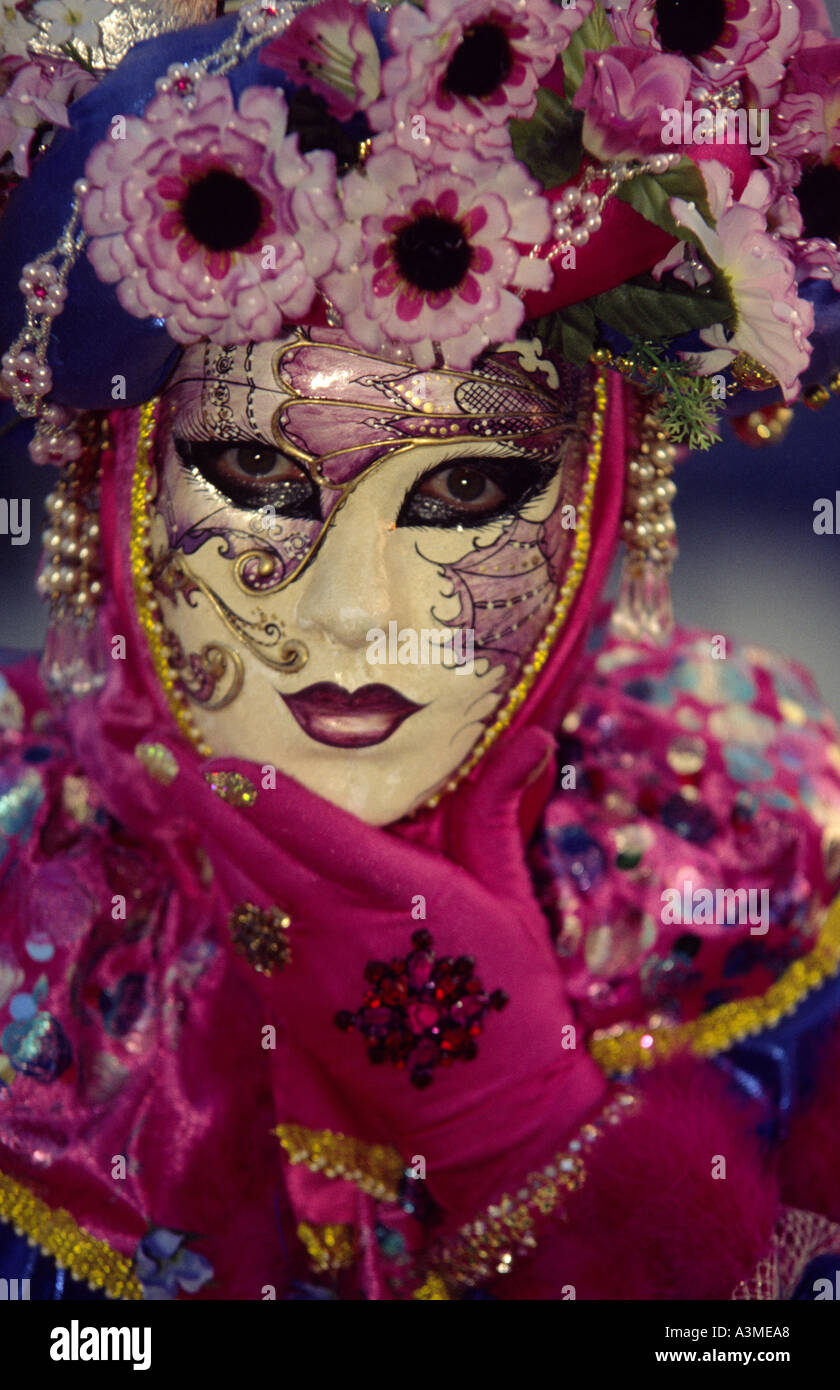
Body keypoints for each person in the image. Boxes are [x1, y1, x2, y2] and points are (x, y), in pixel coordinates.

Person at [0, 0, 840, 1301]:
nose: (352, 612)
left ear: (607, 502)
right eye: (250, 470)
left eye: (464, 496)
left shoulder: (759, 844)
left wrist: (527, 1133)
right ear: (109, 498)